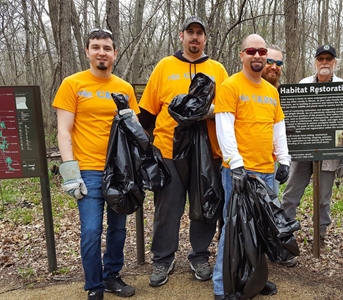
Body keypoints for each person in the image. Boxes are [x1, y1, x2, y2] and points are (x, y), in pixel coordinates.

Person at [138, 16, 229, 287]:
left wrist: (206, 112)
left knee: (204, 205)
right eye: (190, 32)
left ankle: (200, 255)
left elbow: (226, 112)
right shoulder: (165, 66)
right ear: (181, 36)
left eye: (199, 33)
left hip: (206, 153)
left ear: (205, 38)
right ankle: (163, 259)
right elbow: (146, 114)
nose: (195, 37)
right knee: (167, 207)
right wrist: (161, 139)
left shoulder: (218, 70)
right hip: (168, 151)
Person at [53, 29, 138, 300]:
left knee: (118, 228)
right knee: (91, 231)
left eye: (107, 48)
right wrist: (69, 171)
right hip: (87, 170)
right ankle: (94, 286)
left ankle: (112, 276)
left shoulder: (123, 88)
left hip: (119, 172)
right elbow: (64, 131)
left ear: (114, 53)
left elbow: (133, 130)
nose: (102, 52)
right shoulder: (73, 84)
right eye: (96, 47)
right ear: (88, 51)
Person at [212, 34, 291, 300]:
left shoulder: (271, 92)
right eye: (251, 51)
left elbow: (278, 129)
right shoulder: (230, 86)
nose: (257, 56)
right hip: (240, 173)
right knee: (234, 228)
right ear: (242, 54)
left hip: (267, 171)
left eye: (261, 51)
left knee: (261, 228)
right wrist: (236, 165)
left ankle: (255, 279)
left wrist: (285, 160)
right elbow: (224, 129)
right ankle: (222, 286)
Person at [281, 44, 343, 240]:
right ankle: (286, 230)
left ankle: (320, 232)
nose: (325, 63)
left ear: (335, 63)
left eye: (329, 59)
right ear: (315, 62)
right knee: (291, 193)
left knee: (323, 198)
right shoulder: (303, 84)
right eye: (321, 59)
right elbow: (291, 118)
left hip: (328, 153)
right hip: (303, 150)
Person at [260, 44, 298, 268]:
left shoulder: (280, 92)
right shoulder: (248, 86)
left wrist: (284, 160)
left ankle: (273, 248)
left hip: (273, 162)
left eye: (279, 63)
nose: (274, 67)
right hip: (246, 162)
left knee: (271, 206)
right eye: (270, 62)